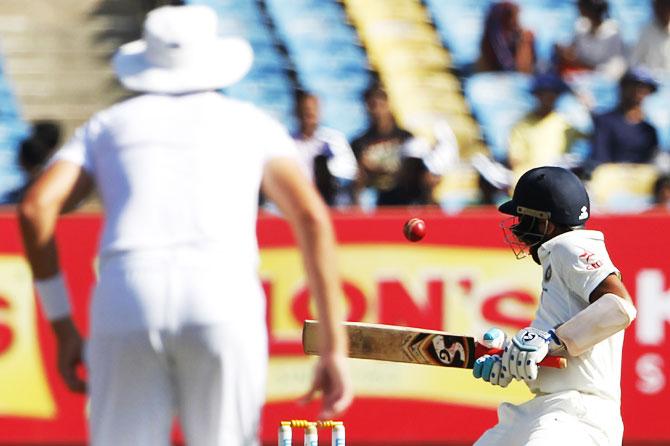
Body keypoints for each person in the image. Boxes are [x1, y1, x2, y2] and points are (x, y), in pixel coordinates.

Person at [17, 6, 352, 445]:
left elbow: (36, 207)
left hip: (126, 294)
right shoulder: (251, 124)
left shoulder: (108, 126)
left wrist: (62, 324)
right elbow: (310, 216)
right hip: (222, 292)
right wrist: (333, 345)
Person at [471, 166, 636, 445]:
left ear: (546, 223)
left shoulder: (569, 246)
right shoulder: (557, 260)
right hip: (545, 409)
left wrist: (549, 340)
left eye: (523, 218)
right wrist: (510, 358)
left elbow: (620, 306)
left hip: (579, 414)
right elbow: (557, 349)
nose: (518, 228)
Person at [351, 83, 433, 206]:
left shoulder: (406, 137)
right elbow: (356, 178)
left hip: (405, 198)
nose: (377, 110)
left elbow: (418, 171)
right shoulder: (360, 142)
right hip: (375, 199)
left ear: (388, 105)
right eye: (373, 105)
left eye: (381, 104)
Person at [508, 74, 585, 180]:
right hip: (530, 179)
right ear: (536, 95)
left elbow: (587, 137)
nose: (547, 97)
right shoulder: (522, 125)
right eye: (543, 93)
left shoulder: (566, 122)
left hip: (559, 179)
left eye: (552, 93)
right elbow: (516, 160)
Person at [292, 90, 358, 207]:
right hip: (296, 197)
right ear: (297, 111)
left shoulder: (333, 139)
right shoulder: (287, 142)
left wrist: (329, 164)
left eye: (313, 109)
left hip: (329, 201)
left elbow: (349, 173)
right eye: (305, 109)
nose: (309, 113)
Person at [589, 68, 659, 167]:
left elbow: (651, 162)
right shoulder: (604, 121)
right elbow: (600, 158)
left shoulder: (649, 130)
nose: (639, 92)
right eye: (634, 86)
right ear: (622, 87)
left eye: (644, 88)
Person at [555, 0, 627, 79]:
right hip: (581, 74)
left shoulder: (613, 30)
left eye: (582, 5)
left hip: (605, 77)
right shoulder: (580, 25)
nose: (579, 8)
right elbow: (574, 51)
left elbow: (617, 64)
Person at [476, 1, 536, 74]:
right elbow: (485, 67)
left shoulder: (522, 37)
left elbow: (525, 71)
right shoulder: (491, 40)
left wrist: (526, 43)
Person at [630, 0, 670, 77]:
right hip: (651, 82)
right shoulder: (645, 31)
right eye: (660, 7)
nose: (664, 11)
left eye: (667, 7)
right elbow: (635, 63)